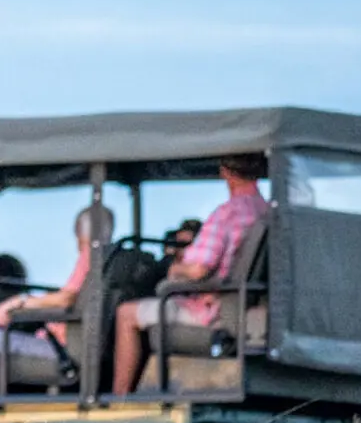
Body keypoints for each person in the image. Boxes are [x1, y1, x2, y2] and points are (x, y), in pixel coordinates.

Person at [111, 154, 269, 394]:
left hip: (208, 310)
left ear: (225, 172)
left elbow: (198, 270)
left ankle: (118, 398)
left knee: (126, 313)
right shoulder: (265, 212)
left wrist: (172, 268)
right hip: (239, 306)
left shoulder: (227, 214)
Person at [0, 206, 114, 397]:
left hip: (62, 349)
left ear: (78, 231)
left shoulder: (90, 256)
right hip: (76, 345)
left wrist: (21, 302)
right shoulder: (109, 259)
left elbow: (66, 298)